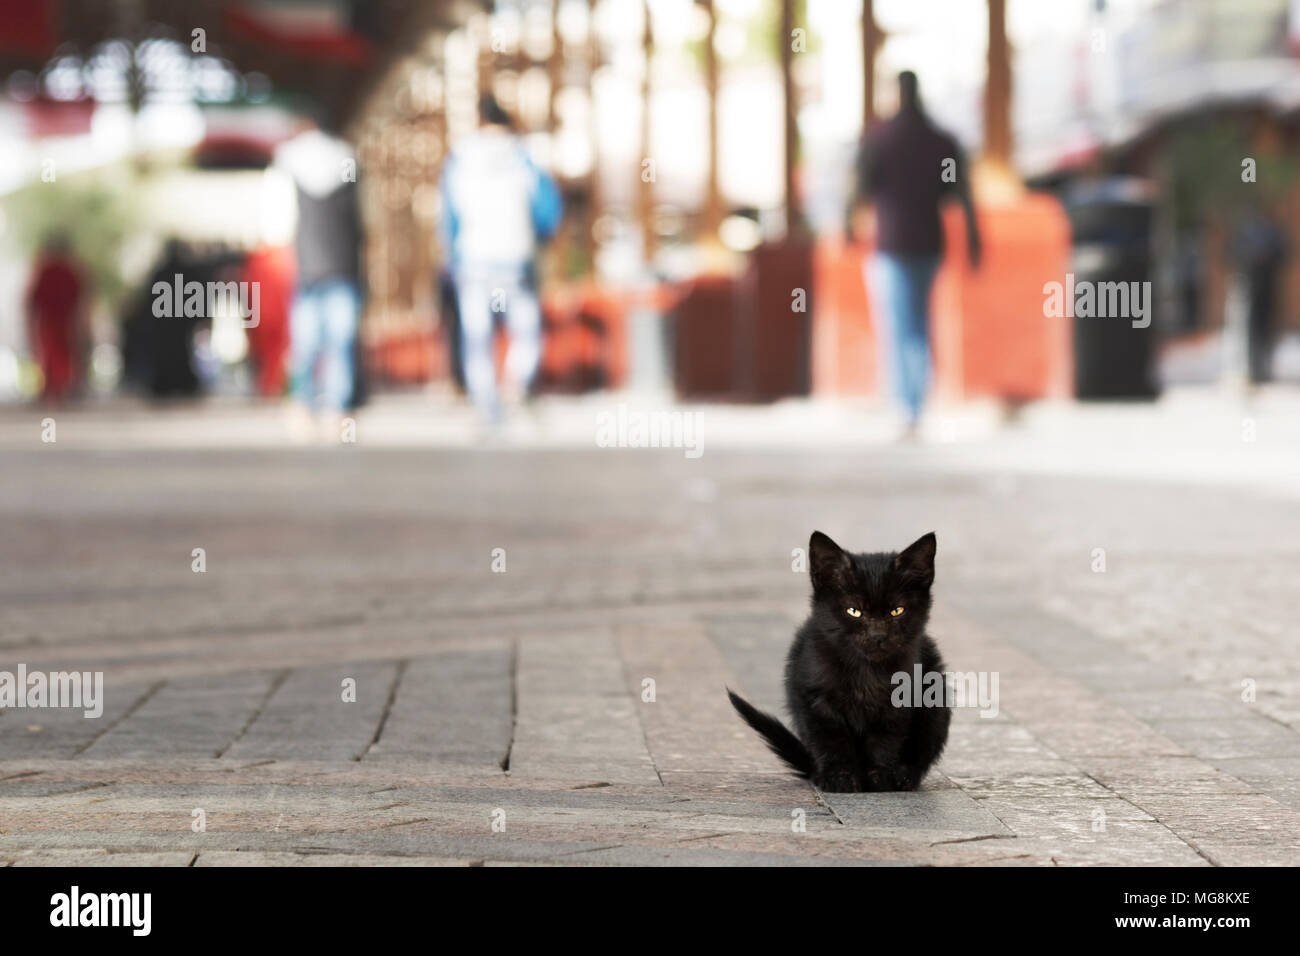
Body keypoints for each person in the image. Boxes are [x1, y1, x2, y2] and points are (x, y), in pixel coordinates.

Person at [852, 71, 981, 435]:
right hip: (928, 244)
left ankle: (907, 406)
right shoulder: (941, 141)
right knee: (920, 324)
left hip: (891, 245)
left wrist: (849, 225)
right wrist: (974, 240)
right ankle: (916, 403)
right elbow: (963, 194)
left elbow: (860, 189)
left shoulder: (879, 139)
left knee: (898, 325)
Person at [440, 94, 562, 424]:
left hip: (473, 259)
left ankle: (487, 406)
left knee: (477, 334)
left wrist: (450, 255)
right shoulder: (522, 155)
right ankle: (517, 384)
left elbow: (449, 214)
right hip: (515, 256)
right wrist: (539, 235)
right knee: (525, 329)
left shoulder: (460, 157)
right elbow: (547, 209)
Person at [274, 109, 363, 438]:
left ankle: (301, 408)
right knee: (340, 341)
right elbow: (359, 218)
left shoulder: (289, 162)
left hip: (306, 265)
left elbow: (279, 216)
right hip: (342, 265)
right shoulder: (348, 159)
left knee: (305, 342)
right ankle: (337, 411)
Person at [25, 234, 85, 404]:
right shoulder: (70, 271)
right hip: (62, 322)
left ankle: (53, 390)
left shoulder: (45, 270)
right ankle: (59, 390)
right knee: (61, 355)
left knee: (51, 355)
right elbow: (80, 299)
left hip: (50, 322)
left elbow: (32, 300)